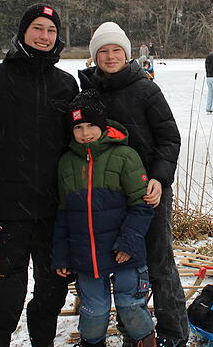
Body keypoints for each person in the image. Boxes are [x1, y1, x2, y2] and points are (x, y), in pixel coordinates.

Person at [0, 3, 78, 347]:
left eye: (51, 30)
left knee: (52, 292)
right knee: (6, 296)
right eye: (38, 28)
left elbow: (80, 143)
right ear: (24, 32)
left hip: (53, 213)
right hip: (7, 212)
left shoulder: (66, 84)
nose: (44, 37)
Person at [78, 21, 187, 346]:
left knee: (158, 262)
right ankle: (133, 332)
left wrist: (158, 178)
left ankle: (173, 333)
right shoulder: (88, 92)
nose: (110, 57)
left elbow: (170, 138)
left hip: (149, 192)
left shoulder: (146, 88)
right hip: (109, 196)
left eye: (116, 51)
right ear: (94, 56)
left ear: (126, 54)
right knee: (121, 264)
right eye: (103, 51)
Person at [53, 90, 156, 347]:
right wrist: (62, 255)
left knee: (130, 306)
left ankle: (144, 340)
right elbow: (64, 214)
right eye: (78, 127)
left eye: (90, 126)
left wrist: (128, 242)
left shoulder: (125, 156)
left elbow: (141, 205)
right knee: (94, 311)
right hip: (86, 256)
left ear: (102, 126)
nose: (85, 133)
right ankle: (91, 343)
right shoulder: (66, 163)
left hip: (124, 252)